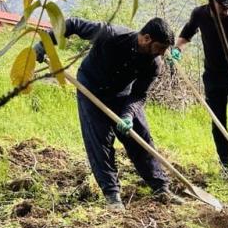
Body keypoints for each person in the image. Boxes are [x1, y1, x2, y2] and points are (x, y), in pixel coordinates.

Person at [35, 17, 182, 211]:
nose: (162, 53)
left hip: (122, 94)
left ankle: (160, 187)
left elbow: (139, 95)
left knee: (140, 136)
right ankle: (112, 195)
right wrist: (45, 43)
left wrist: (128, 115)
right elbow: (71, 25)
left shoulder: (154, 63)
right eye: (160, 47)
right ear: (146, 38)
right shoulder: (111, 34)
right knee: (99, 139)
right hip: (91, 88)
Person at [174, 0, 228, 179]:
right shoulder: (200, 14)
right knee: (218, 122)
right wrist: (177, 50)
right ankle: (225, 167)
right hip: (212, 77)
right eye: (222, 6)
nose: (226, 10)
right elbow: (186, 34)